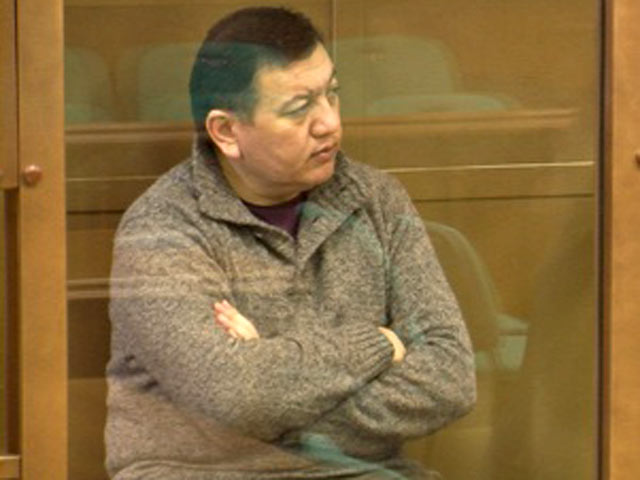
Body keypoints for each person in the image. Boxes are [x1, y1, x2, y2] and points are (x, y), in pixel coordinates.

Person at [105, 7, 476, 480]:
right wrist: (381, 344)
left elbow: (450, 375)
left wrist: (271, 386)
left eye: (331, 94)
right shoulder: (161, 229)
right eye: (299, 108)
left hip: (358, 471)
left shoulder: (377, 200)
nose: (329, 124)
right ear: (226, 132)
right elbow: (235, 397)